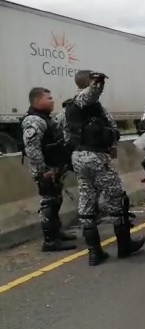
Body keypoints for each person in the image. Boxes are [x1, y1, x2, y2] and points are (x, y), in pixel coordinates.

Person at [64, 70, 145, 266]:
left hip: (80, 156)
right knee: (116, 199)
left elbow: (67, 135)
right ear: (86, 83)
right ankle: (125, 246)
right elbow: (91, 94)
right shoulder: (83, 100)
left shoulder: (69, 107)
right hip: (95, 156)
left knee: (87, 200)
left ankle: (94, 253)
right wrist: (98, 81)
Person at [20, 87, 77, 252]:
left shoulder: (45, 118)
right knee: (49, 203)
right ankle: (50, 241)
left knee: (56, 200)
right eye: (49, 98)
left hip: (54, 168)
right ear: (37, 101)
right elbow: (32, 149)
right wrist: (42, 171)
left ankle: (56, 232)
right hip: (45, 171)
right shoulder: (34, 120)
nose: (52, 100)